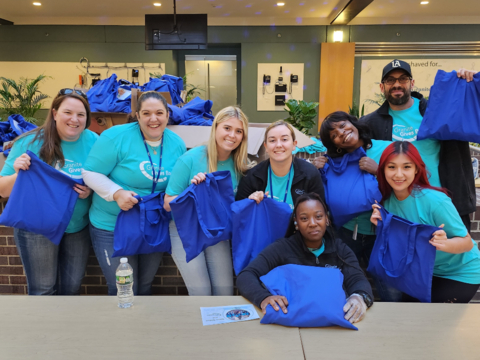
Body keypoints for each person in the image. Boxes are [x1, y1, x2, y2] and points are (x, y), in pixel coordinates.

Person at [82, 91, 186, 296]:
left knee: (145, 287)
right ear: (137, 115)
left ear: (167, 115)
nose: (153, 119)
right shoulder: (115, 137)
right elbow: (89, 172)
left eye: (159, 113)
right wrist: (116, 193)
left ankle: (141, 328)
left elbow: (179, 183)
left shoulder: (177, 143)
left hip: (153, 226)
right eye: (146, 113)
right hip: (113, 226)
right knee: (124, 289)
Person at [0, 89, 98, 295]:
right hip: (37, 229)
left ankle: (65, 328)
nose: (74, 119)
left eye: (81, 115)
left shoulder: (94, 142)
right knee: (43, 291)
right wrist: (20, 174)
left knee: (71, 290)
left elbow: (103, 179)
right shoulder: (29, 142)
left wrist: (90, 190)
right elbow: (3, 190)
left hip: (76, 228)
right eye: (68, 112)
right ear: (54, 113)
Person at [361, 59, 477, 231]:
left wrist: (472, 83)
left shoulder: (438, 111)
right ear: (382, 87)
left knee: (451, 253)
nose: (397, 84)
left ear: (412, 83)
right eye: (390, 80)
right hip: (400, 208)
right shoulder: (369, 123)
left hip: (444, 202)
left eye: (403, 79)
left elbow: (469, 112)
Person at [237, 193, 373, 324]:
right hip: (291, 324)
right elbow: (246, 276)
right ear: (296, 222)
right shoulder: (282, 248)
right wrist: (264, 298)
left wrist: (359, 297)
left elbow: (358, 279)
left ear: (327, 219)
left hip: (332, 325)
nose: (312, 223)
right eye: (304, 218)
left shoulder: (340, 250)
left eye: (318, 216)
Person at [371, 141, 480, 303]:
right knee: (410, 318)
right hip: (422, 271)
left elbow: (467, 243)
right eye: (392, 167)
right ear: (383, 170)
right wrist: (381, 225)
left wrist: (445, 243)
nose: (398, 174)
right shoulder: (386, 201)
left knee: (433, 321)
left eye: (406, 167)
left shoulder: (435, 201)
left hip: (459, 272)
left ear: (416, 169)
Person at [163, 106, 249, 296]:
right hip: (185, 229)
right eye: (227, 128)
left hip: (215, 229)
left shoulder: (240, 166)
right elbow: (167, 203)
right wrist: (192, 192)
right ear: (215, 128)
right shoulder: (191, 159)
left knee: (225, 292)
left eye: (238, 131)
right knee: (201, 293)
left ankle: (220, 327)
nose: (232, 135)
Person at [236, 120, 325, 209]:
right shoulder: (251, 177)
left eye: (284, 139)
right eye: (272, 140)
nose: (278, 145)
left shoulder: (310, 174)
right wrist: (250, 203)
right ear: (266, 146)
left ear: (294, 144)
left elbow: (320, 213)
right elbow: (240, 213)